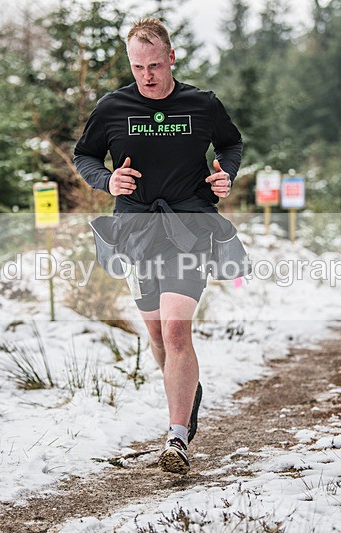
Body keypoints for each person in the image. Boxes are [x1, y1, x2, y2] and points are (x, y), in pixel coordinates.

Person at [74, 18, 243, 475]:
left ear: (171, 57)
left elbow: (230, 144)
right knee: (155, 334)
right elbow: (84, 155)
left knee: (174, 330)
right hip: (137, 230)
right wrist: (106, 179)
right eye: (136, 66)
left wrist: (225, 173)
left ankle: (176, 436)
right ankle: (188, 395)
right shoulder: (113, 107)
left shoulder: (202, 104)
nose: (146, 75)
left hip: (190, 228)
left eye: (153, 64)